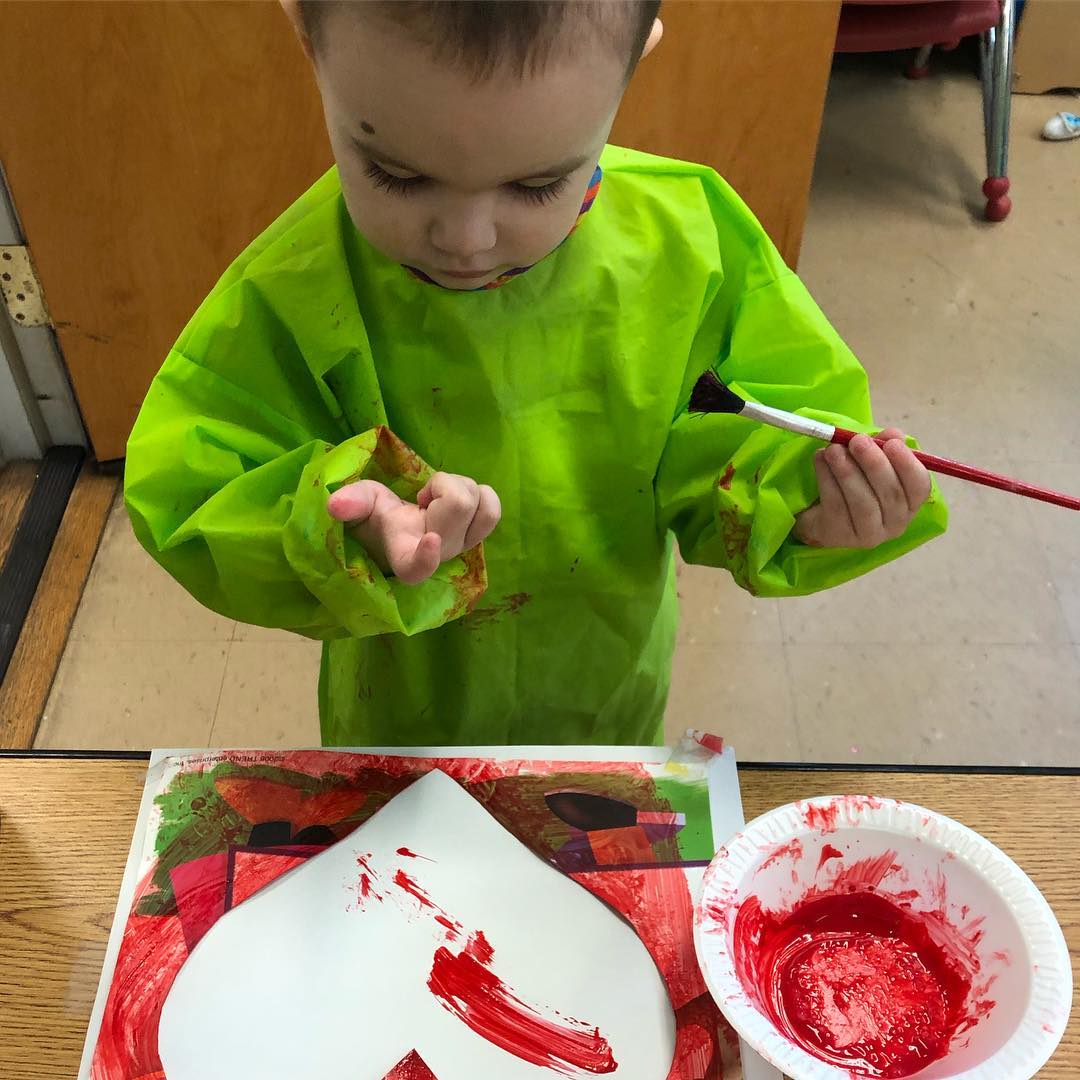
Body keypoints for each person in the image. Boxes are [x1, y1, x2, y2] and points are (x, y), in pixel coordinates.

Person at [125, 1, 947, 747]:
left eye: (536, 183)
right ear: (307, 38)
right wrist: (337, 521)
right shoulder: (293, 288)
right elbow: (197, 489)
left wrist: (809, 508)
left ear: (632, 66)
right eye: (398, 175)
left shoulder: (691, 250)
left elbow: (747, 447)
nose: (467, 239)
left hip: (603, 696)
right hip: (401, 723)